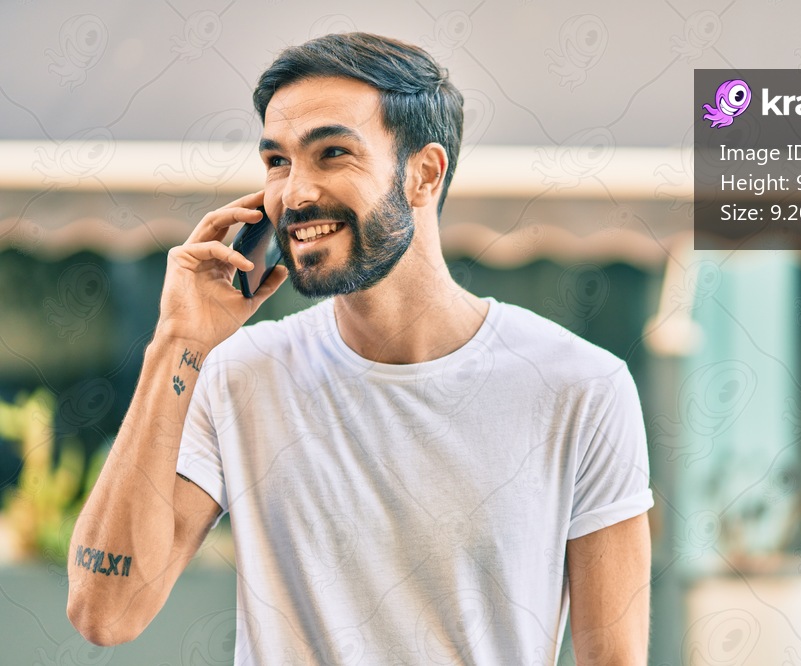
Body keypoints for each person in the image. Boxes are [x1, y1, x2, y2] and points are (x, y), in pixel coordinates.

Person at [67, 32, 653, 664]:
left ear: (424, 174)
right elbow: (106, 611)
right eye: (278, 161)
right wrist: (177, 340)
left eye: (332, 153)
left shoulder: (581, 387)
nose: (295, 193)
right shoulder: (240, 374)